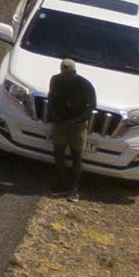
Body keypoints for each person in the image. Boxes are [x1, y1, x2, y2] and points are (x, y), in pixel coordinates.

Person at [45, 58, 97, 194]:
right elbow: (50, 99)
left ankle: (74, 188)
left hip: (77, 125)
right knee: (58, 153)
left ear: (74, 72)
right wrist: (54, 115)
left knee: (76, 155)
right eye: (63, 71)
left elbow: (91, 106)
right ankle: (62, 183)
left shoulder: (85, 85)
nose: (65, 75)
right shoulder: (56, 80)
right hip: (60, 123)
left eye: (68, 72)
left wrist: (79, 120)